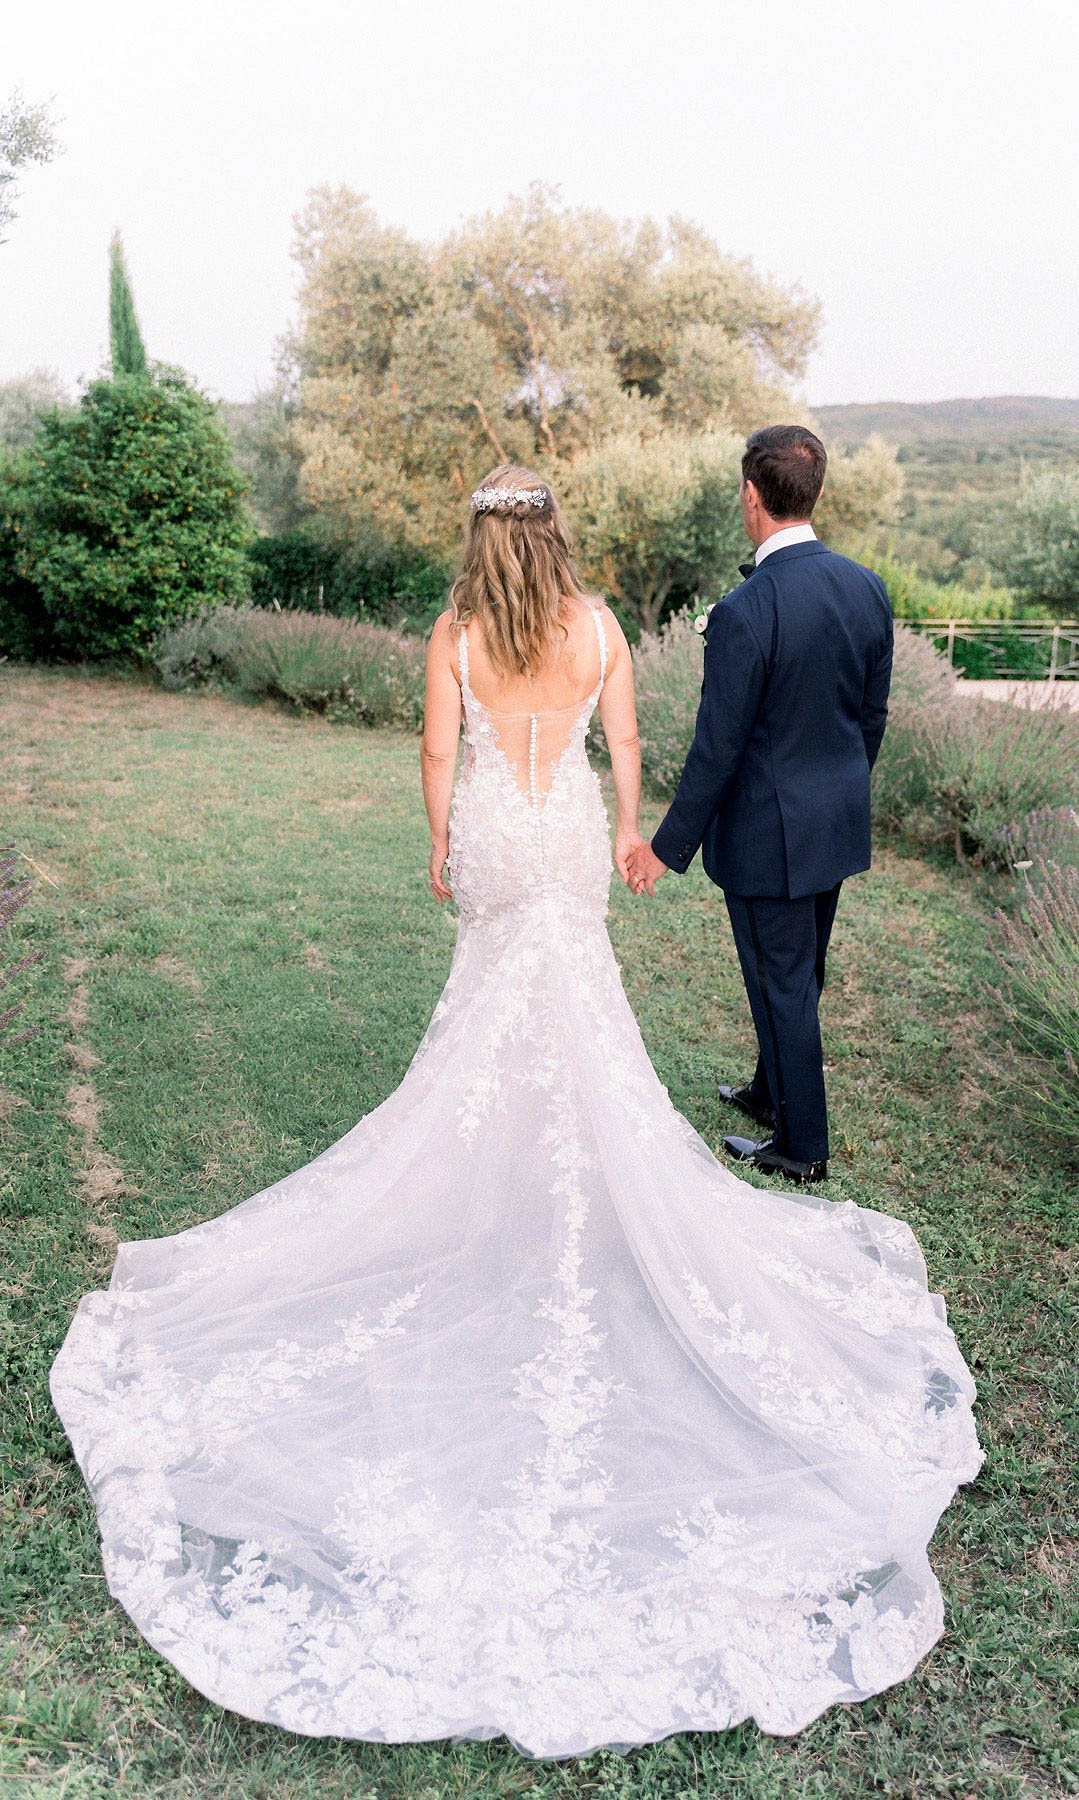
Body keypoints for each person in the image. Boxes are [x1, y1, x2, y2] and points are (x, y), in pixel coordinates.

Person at [51, 464, 980, 1761]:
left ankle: (491, 1186)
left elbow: (439, 749)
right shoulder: (599, 625)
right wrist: (619, 830)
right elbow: (632, 748)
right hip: (563, 834)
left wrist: (439, 842)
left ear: (482, 539)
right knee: (575, 1023)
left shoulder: (456, 633)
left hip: (498, 829)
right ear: (554, 536)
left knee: (492, 1020)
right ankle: (571, 1186)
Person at [629, 426, 893, 1185]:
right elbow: (869, 718)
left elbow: (719, 748)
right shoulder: (866, 586)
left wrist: (664, 846)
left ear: (752, 494)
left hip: (769, 836)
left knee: (782, 981)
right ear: (817, 493)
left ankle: (801, 1145)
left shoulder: (746, 609)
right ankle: (767, 1091)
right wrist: (836, 790)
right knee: (797, 972)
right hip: (832, 822)